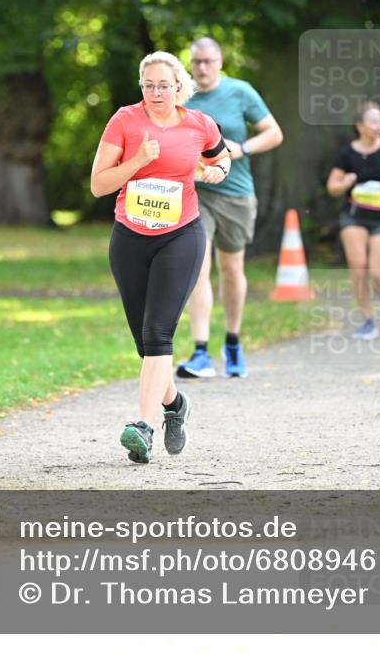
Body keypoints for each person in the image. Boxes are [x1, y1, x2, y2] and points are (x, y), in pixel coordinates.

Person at [90, 50, 231, 463]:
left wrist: (217, 171)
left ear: (179, 86)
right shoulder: (124, 121)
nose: (155, 92)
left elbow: (221, 157)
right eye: (148, 85)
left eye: (163, 85)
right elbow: (98, 185)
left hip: (181, 236)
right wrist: (138, 161)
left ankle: (143, 427)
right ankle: (176, 405)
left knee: (157, 335)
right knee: (145, 344)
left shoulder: (198, 123)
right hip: (130, 239)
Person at [175, 37, 283, 379]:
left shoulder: (240, 91)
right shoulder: (181, 96)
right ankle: (200, 352)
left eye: (208, 61)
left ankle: (233, 342)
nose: (202, 67)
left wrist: (242, 148)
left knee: (232, 269)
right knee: (197, 268)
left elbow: (274, 133)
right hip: (195, 194)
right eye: (197, 62)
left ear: (220, 62)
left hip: (235, 194)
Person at [326, 102, 380, 339]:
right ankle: (368, 320)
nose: (379, 126)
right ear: (359, 126)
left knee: (378, 272)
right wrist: (345, 183)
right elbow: (332, 186)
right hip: (354, 217)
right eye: (373, 122)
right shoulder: (347, 154)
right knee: (359, 268)